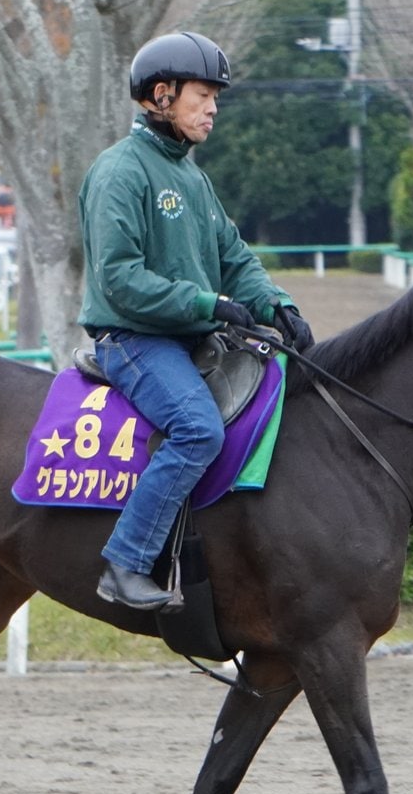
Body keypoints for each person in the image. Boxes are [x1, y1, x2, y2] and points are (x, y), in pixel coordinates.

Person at [77, 30, 314, 610]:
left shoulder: (193, 177)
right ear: (162, 95)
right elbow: (120, 279)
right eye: (202, 96)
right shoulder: (120, 172)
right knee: (198, 429)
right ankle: (126, 563)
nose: (213, 108)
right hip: (132, 339)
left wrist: (275, 304)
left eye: (216, 98)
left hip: (186, 339)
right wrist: (208, 305)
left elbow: (233, 257)